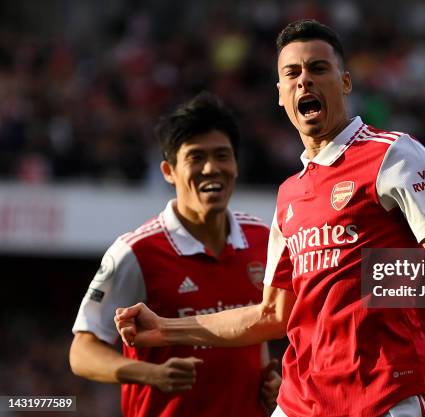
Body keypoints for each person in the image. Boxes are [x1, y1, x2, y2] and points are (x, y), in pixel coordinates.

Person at [114, 20, 425, 417]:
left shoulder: (394, 156)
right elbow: (271, 314)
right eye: (293, 73)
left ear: (345, 83)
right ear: (281, 95)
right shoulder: (289, 194)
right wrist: (165, 328)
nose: (304, 80)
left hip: (386, 398)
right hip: (302, 403)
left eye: (318, 69)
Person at [70, 91, 280, 417]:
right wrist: (150, 374)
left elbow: (261, 329)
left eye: (222, 155)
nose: (212, 168)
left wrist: (276, 380)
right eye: (196, 158)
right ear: (169, 171)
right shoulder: (135, 252)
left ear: (236, 164)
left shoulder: (264, 238)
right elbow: (82, 352)